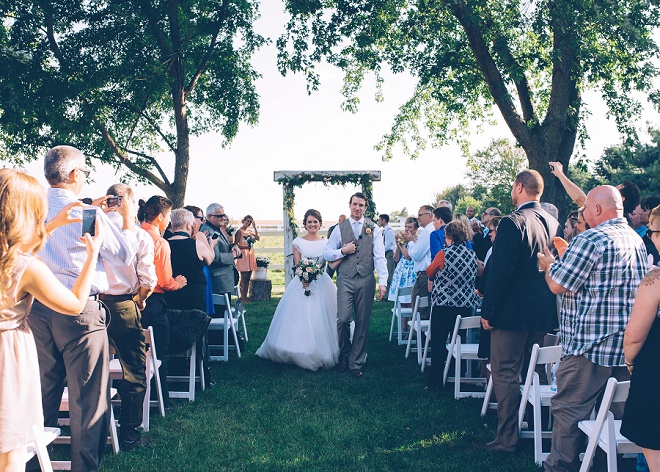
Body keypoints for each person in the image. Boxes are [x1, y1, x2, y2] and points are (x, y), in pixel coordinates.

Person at [29, 145, 137, 471]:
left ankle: (34, 464)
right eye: (86, 172)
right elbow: (124, 257)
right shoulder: (87, 213)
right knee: (88, 398)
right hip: (79, 311)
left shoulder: (31, 209)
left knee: (42, 393)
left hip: (36, 309)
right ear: (75, 174)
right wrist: (126, 221)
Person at [537, 185, 648, 472]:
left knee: (567, 412)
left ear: (596, 209)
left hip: (589, 346)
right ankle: (606, 465)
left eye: (586, 209)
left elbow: (557, 284)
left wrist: (550, 264)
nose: (584, 214)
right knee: (613, 416)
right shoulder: (635, 238)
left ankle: (561, 466)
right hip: (625, 346)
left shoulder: (591, 239)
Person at [0, 169, 101, 472]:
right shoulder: (25, 267)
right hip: (8, 357)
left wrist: (55, 225)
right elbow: (73, 305)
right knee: (10, 453)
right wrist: (91, 256)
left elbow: (23, 245)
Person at [475, 170, 560, 454]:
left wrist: (489, 310)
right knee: (536, 370)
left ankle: (507, 437)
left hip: (511, 314)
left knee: (505, 373)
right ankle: (544, 429)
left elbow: (500, 271)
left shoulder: (513, 222)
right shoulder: (551, 221)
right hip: (543, 309)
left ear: (519, 187)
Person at [102, 183, 157, 450]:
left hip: (91, 305)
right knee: (134, 371)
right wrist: (139, 302)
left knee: (91, 371)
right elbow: (147, 281)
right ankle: (130, 436)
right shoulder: (138, 235)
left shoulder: (94, 227)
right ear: (131, 203)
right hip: (124, 306)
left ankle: (95, 433)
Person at [256, 209, 340, 370]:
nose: (313, 224)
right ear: (305, 224)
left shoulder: (326, 242)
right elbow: (297, 265)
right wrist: (304, 278)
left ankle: (323, 349)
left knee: (322, 315)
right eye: (309, 222)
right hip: (302, 283)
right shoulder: (298, 242)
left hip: (321, 281)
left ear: (320, 223)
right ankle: (296, 348)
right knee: (298, 317)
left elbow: (329, 263)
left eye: (315, 221)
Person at [324, 192, 388, 378]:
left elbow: (380, 257)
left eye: (361, 205)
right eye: (355, 204)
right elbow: (327, 253)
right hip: (345, 278)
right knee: (343, 318)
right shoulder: (339, 228)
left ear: (365, 207)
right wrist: (342, 251)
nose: (357, 208)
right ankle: (345, 354)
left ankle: (356, 362)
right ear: (349, 205)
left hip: (366, 279)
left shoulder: (373, 228)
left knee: (362, 321)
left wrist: (382, 282)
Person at [621, 204, 660, 471]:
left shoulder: (656, 279)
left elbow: (634, 338)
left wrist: (631, 361)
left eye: (654, 231)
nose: (651, 237)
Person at [139, 196, 187, 410]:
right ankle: (162, 400)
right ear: (160, 217)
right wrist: (177, 283)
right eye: (167, 217)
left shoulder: (133, 235)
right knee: (160, 353)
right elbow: (165, 282)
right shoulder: (159, 243)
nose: (168, 222)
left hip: (132, 302)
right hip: (154, 302)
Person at [425, 221, 479, 391]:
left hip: (444, 304)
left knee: (439, 343)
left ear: (448, 236)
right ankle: (458, 376)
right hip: (466, 305)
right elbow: (479, 272)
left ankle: (436, 383)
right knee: (460, 342)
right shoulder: (472, 254)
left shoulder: (443, 254)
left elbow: (430, 272)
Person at [400, 205, 434, 320]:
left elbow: (416, 255)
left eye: (420, 215)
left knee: (419, 310)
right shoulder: (433, 229)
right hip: (429, 274)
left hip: (424, 275)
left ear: (429, 215)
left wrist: (410, 242)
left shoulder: (427, 231)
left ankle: (419, 336)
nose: (418, 218)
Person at [201, 204, 241, 299]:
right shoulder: (208, 232)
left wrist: (233, 245)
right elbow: (214, 257)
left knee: (225, 312)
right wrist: (233, 255)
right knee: (220, 312)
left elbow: (223, 246)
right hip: (218, 282)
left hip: (224, 281)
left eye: (223, 215)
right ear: (209, 217)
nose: (223, 218)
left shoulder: (216, 228)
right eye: (219, 216)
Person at [387, 217, 419, 302]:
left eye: (410, 227)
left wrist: (401, 243)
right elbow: (396, 259)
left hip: (411, 271)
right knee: (400, 301)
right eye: (406, 227)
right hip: (401, 271)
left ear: (416, 229)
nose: (407, 229)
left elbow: (408, 256)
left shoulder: (417, 240)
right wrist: (398, 246)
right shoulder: (403, 241)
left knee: (409, 301)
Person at [235, 215, 260, 303]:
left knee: (248, 277)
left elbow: (258, 238)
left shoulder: (249, 232)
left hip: (250, 255)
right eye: (247, 221)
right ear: (244, 221)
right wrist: (246, 247)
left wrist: (255, 228)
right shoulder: (239, 231)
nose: (248, 223)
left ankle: (246, 296)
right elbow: (236, 244)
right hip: (243, 255)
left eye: (250, 222)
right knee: (244, 277)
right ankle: (242, 297)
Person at [378, 214, 396, 293]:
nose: (378, 222)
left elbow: (387, 246)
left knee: (389, 274)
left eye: (379, 220)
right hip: (385, 254)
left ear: (384, 220)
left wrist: (379, 252)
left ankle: (388, 295)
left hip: (389, 254)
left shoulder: (389, 232)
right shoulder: (384, 231)